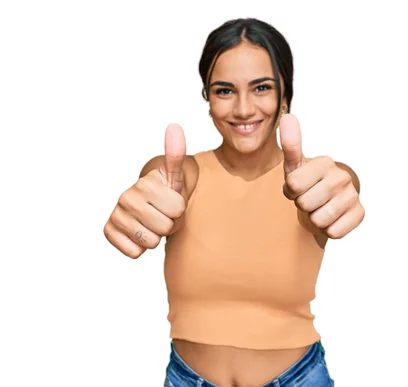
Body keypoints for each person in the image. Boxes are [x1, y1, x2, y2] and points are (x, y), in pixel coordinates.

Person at [104, 18, 365, 387]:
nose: (243, 109)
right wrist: (148, 199)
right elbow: (163, 184)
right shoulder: (186, 175)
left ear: (285, 96)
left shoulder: (315, 180)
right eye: (224, 91)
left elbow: (337, 187)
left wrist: (343, 189)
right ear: (208, 101)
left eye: (261, 88)